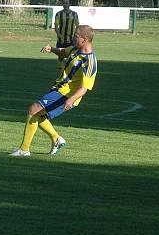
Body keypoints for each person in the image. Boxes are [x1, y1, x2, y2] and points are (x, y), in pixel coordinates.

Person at [10, 25, 98, 157]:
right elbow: (63, 52)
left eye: (76, 36)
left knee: (34, 109)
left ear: (84, 39)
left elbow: (84, 87)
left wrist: (71, 100)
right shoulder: (76, 49)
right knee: (39, 115)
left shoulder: (89, 61)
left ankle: (24, 149)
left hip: (66, 94)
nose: (73, 38)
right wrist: (52, 49)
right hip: (59, 89)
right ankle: (57, 140)